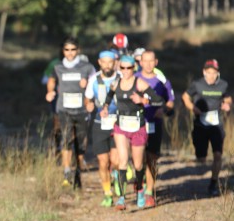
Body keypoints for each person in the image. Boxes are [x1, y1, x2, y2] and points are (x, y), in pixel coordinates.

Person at [100, 56, 164, 210]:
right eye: (123, 68)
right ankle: (121, 198)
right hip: (121, 127)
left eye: (129, 68)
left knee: (138, 164)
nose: (126, 71)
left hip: (138, 128)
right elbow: (109, 96)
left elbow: (159, 101)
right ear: (119, 68)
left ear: (134, 68)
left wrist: (143, 100)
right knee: (122, 161)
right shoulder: (117, 83)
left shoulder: (140, 83)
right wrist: (105, 107)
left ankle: (140, 190)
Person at [45, 37, 95, 187]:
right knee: (66, 138)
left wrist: (88, 87)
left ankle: (79, 170)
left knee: (81, 143)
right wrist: (50, 91)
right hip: (64, 109)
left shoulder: (87, 67)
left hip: (81, 110)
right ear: (63, 51)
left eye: (73, 50)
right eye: (67, 50)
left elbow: (96, 83)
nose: (70, 53)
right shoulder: (58, 67)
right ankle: (67, 170)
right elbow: (52, 80)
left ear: (78, 51)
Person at [182, 59, 232, 196]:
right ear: (204, 72)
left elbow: (228, 98)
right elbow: (185, 96)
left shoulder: (223, 85)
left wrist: (226, 104)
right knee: (201, 157)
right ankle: (201, 155)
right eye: (208, 73)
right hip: (200, 125)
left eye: (214, 73)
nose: (211, 76)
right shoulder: (197, 85)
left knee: (217, 154)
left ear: (218, 74)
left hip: (216, 124)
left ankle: (213, 183)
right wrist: (193, 108)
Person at [136, 50, 175, 207]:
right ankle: (139, 181)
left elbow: (171, 102)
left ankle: (149, 192)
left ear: (156, 62)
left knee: (152, 158)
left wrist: (164, 110)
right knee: (138, 159)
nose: (148, 64)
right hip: (136, 124)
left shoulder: (162, 81)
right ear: (140, 62)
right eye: (145, 61)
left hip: (154, 124)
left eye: (151, 61)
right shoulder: (134, 79)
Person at [84, 51, 120, 207]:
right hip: (100, 124)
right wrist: (89, 104)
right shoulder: (94, 79)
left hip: (118, 123)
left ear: (114, 63)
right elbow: (88, 98)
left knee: (116, 161)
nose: (107, 65)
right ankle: (107, 193)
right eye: (104, 62)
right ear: (99, 62)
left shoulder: (121, 78)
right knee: (103, 162)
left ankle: (117, 177)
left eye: (110, 62)